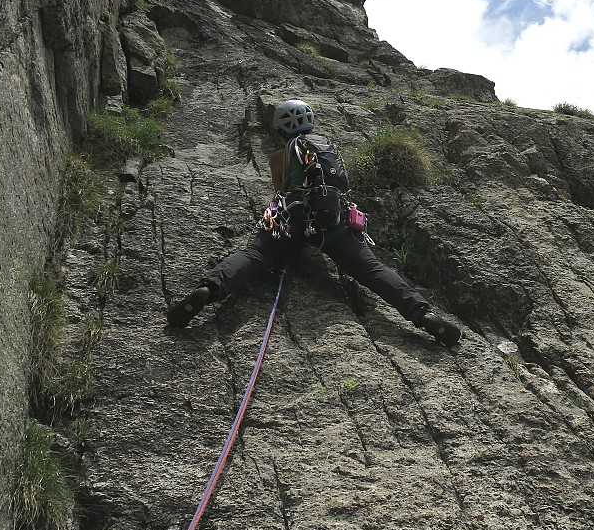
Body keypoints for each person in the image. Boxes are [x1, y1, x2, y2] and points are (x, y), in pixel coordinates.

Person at [167, 99, 461, 346]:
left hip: (292, 220)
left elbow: (280, 190)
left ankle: (209, 290)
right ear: (311, 121)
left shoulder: (280, 156)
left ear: (280, 129)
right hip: (334, 219)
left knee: (255, 256)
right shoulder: (326, 146)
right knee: (370, 268)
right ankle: (422, 315)